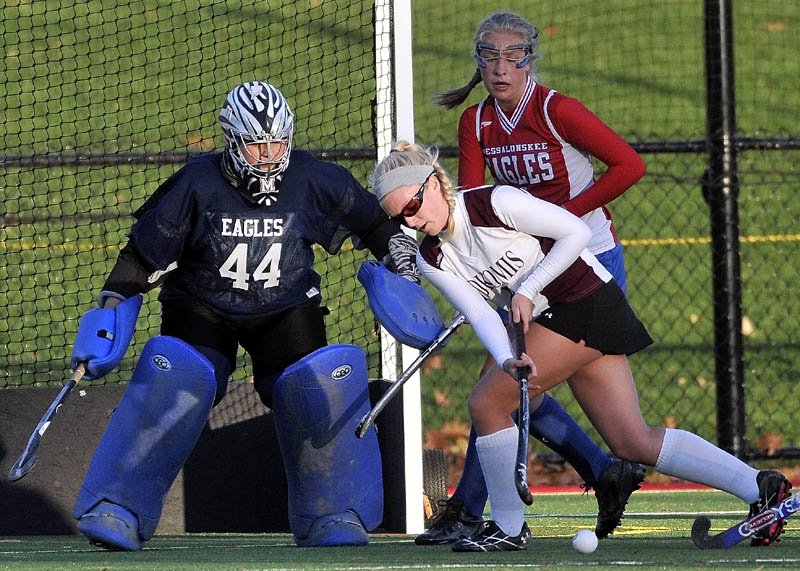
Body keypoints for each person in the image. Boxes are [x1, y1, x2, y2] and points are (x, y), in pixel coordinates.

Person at [371, 141, 792, 552]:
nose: (412, 220)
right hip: (551, 319)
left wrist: (529, 288)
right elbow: (481, 313)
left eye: (412, 205)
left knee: (486, 402)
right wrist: (507, 359)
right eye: (400, 217)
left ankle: (508, 527)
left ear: (434, 183)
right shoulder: (432, 258)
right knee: (632, 441)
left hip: (585, 301)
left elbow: (575, 232)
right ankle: (761, 486)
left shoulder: (494, 202)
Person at [69, 81, 421, 551]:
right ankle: (118, 506)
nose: (269, 156)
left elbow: (377, 225)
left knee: (320, 385)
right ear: (231, 141)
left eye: (277, 143)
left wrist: (401, 262)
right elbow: (140, 257)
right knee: (175, 379)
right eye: (257, 145)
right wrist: (110, 313)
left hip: (285, 306)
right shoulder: (196, 183)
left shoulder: (316, 179)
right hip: (201, 305)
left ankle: (332, 513)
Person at [419, 10, 648, 544]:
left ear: (529, 60)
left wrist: (564, 216)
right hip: (530, 269)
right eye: (490, 56)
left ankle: (472, 510)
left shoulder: (556, 110)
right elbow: (469, 206)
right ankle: (603, 472)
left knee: (500, 390)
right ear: (479, 62)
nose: (501, 67)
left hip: (588, 260)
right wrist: (459, 268)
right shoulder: (476, 122)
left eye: (513, 56)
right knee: (508, 384)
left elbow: (629, 166)